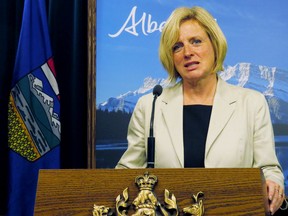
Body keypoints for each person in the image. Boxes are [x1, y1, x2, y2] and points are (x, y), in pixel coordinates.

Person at [115, 6, 285, 215]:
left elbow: (269, 169)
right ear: (171, 57)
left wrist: (273, 183)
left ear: (215, 45)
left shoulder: (251, 102)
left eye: (196, 41)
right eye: (177, 46)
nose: (188, 52)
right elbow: (125, 174)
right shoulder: (150, 105)